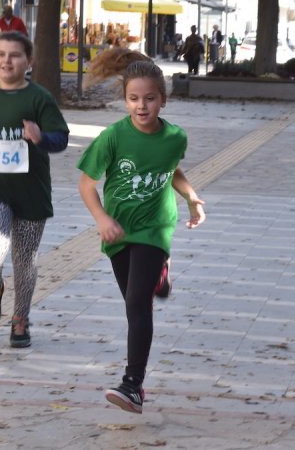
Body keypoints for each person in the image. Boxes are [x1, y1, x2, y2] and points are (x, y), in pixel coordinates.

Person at [77, 58, 204, 414]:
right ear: (125, 99)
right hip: (118, 230)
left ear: (162, 100)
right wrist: (101, 218)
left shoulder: (175, 137)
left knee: (137, 304)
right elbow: (87, 184)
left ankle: (133, 384)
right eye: (134, 98)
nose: (141, 106)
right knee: (134, 300)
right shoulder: (113, 137)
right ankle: (160, 276)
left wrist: (191, 197)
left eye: (149, 98)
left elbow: (171, 170)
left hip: (155, 227)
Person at [0, 31, 69, 348]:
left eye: (15, 55)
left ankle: (20, 321)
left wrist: (40, 137)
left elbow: (60, 137)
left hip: (31, 190)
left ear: (28, 61)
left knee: (25, 262)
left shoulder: (39, 98)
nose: (7, 60)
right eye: (2, 54)